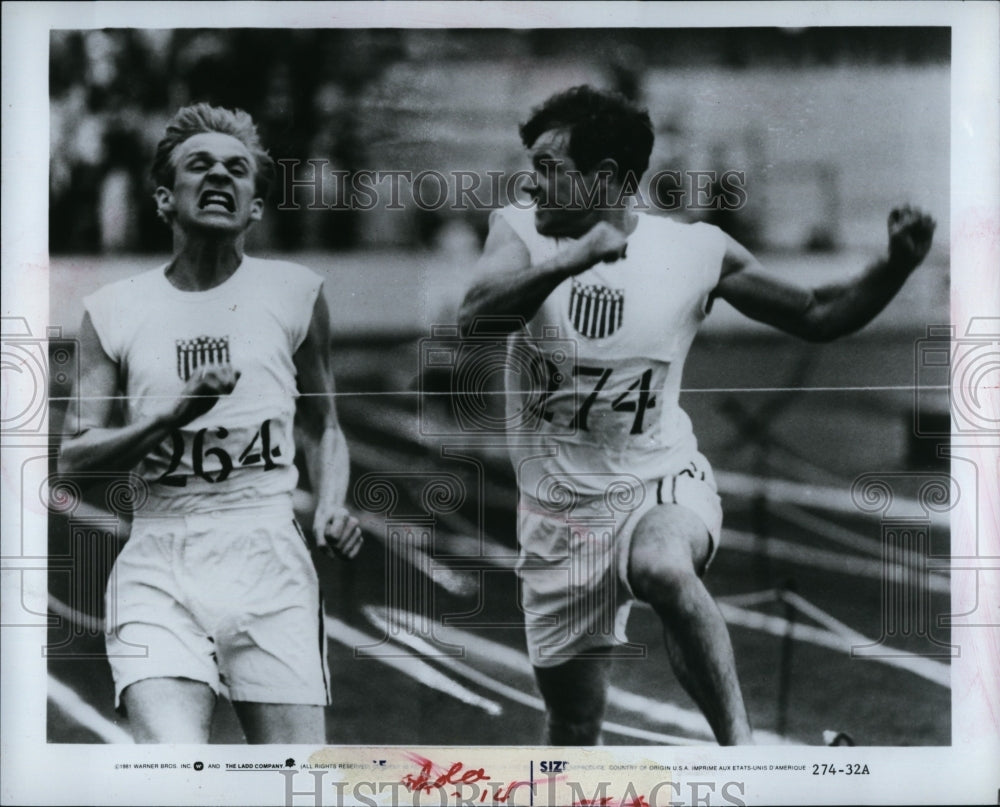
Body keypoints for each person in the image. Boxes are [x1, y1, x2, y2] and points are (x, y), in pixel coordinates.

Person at [458, 85, 935, 746]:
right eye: (530, 165)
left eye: (548, 168)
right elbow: (475, 319)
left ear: (607, 179)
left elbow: (818, 314)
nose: (530, 183)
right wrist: (575, 257)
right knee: (572, 726)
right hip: (556, 522)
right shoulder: (517, 232)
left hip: (660, 483)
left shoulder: (693, 251)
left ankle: (742, 756)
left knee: (660, 564)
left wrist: (894, 268)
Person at [59, 103, 363, 744]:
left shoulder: (295, 293)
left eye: (237, 170)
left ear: (255, 206)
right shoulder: (114, 311)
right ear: (165, 198)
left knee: (293, 784)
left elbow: (323, 423)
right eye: (200, 165)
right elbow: (75, 460)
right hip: (160, 564)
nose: (220, 177)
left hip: (268, 558)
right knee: (171, 775)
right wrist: (171, 417)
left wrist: (332, 502)